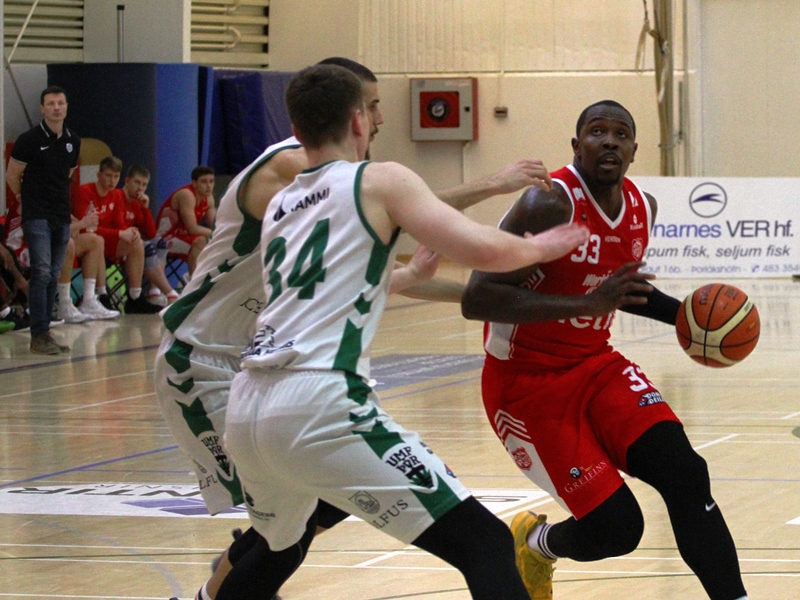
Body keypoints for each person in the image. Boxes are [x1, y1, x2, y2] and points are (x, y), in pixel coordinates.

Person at [158, 57, 567, 600]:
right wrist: (545, 244)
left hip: (251, 389)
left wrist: (437, 286)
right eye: (372, 106)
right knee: (485, 543)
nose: (379, 120)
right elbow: (429, 222)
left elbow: (344, 279)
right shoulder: (315, 174)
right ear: (353, 117)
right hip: (215, 361)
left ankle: (227, 579)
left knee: (281, 544)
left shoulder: (287, 203)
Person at [460, 100, 749, 600]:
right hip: (525, 387)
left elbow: (619, 291)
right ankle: (534, 545)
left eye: (620, 134)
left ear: (635, 150)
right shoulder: (547, 204)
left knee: (685, 472)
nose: (609, 141)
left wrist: (694, 322)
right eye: (597, 132)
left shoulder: (642, 207)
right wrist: (589, 302)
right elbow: (477, 297)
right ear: (577, 146)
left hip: (597, 366)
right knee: (618, 529)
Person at [6, 85, 81, 355]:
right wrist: (22, 197)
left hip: (60, 215)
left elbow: (68, 175)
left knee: (53, 274)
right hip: (36, 214)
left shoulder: (73, 140)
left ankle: (46, 332)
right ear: (42, 108)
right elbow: (12, 175)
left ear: (66, 107)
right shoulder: (29, 140)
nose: (56, 108)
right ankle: (37, 333)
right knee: (42, 271)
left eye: (60, 103)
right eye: (51, 103)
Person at [72, 155, 161, 315]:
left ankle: (135, 298)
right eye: (108, 175)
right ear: (99, 175)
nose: (112, 181)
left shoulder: (115, 195)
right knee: (97, 241)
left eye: (115, 176)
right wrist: (120, 233)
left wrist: (131, 232)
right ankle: (102, 296)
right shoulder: (84, 191)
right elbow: (86, 229)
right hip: (86, 243)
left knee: (136, 242)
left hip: (107, 243)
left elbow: (145, 232)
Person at [119, 164, 179, 306]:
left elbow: (151, 233)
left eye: (144, 184)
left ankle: (154, 290)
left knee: (160, 243)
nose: (140, 188)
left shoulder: (137, 202)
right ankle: (171, 294)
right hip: (120, 244)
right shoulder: (118, 197)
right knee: (147, 247)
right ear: (127, 181)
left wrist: (145, 208)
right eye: (137, 182)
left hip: (134, 242)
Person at [156, 165, 216, 278]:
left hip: (183, 237)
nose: (209, 186)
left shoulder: (209, 198)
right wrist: (216, 233)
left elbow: (215, 225)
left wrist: (221, 233)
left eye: (211, 181)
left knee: (215, 241)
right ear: (194, 183)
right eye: (204, 182)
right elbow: (192, 229)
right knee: (201, 241)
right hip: (164, 238)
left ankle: (204, 278)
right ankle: (194, 282)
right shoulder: (187, 195)